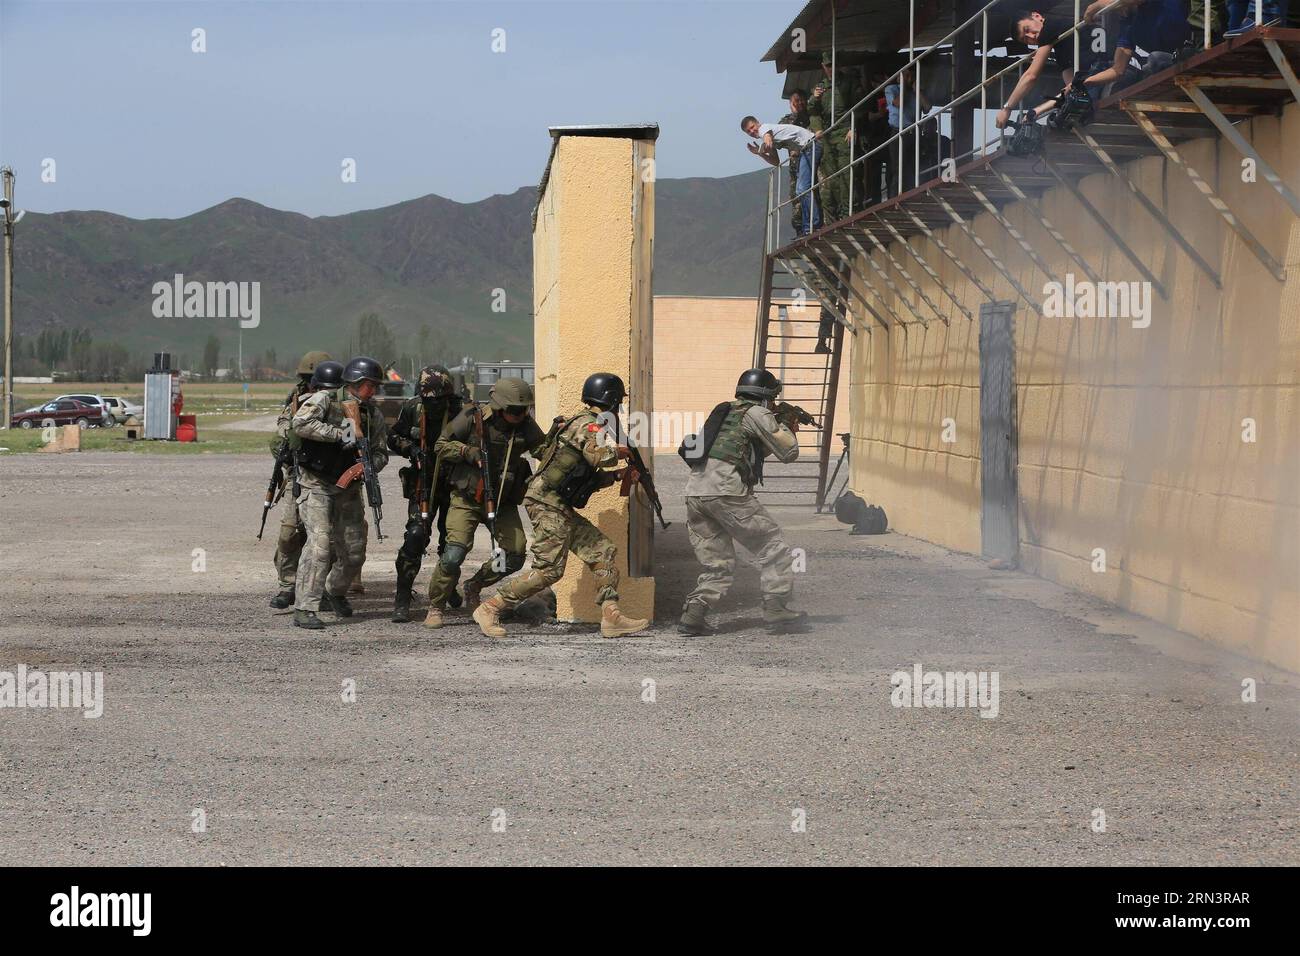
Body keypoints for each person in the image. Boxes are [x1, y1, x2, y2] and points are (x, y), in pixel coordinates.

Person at [473, 373, 649, 640]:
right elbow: (597, 456)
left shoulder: (586, 423)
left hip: (557, 503)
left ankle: (611, 616)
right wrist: (620, 452)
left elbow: (581, 475)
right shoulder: (588, 425)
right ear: (611, 400)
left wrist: (618, 476)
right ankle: (490, 608)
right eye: (618, 402)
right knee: (549, 570)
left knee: (603, 550)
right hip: (545, 502)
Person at [679, 369, 806, 636]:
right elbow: (790, 452)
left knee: (717, 561)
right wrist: (786, 426)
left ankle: (694, 613)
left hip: (696, 492)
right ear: (765, 397)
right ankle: (776, 608)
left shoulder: (726, 411)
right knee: (773, 545)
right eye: (772, 399)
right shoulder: (757, 413)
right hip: (727, 492)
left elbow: (740, 450)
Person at [422, 376, 547, 630]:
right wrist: (467, 452)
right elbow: (440, 445)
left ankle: (475, 585)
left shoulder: (524, 425)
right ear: (500, 407)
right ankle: (436, 605)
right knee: (454, 553)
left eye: (524, 410)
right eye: (515, 410)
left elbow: (544, 451)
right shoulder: (472, 416)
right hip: (467, 499)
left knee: (514, 553)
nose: (521, 415)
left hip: (502, 501)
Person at [288, 356, 389, 630]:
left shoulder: (372, 415)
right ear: (355, 383)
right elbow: (301, 424)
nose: (374, 391)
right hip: (317, 483)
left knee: (355, 552)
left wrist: (365, 467)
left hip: (349, 489)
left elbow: (381, 453)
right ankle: (305, 607)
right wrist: (339, 434)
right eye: (371, 385)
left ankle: (334, 591)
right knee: (319, 546)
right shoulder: (325, 400)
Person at [387, 365, 464, 623]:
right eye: (427, 399)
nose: (431, 405)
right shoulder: (413, 408)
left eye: (437, 400)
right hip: (423, 482)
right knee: (416, 536)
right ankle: (402, 596)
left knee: (451, 541)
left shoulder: (461, 411)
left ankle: (446, 587)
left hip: (454, 484)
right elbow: (393, 436)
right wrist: (410, 449)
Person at [269, 350, 333, 609]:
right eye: (307, 378)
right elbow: (284, 425)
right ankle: (288, 585)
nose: (311, 384)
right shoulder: (296, 398)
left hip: (325, 476)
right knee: (289, 534)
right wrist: (292, 437)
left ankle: (319, 588)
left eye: (314, 378)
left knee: (323, 538)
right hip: (297, 472)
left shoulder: (333, 401)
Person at [742, 115, 822, 236]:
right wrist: (760, 153)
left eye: (752, 127)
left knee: (802, 188)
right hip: (806, 150)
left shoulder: (765, 128)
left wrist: (765, 145)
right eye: (749, 132)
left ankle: (814, 225)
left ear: (757, 123)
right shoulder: (766, 135)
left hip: (811, 145)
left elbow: (767, 138)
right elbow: (775, 161)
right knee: (800, 190)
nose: (752, 131)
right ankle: (808, 227)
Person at [807, 50, 860, 222]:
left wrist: (854, 127)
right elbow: (813, 112)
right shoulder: (820, 87)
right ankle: (840, 214)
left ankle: (850, 211)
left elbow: (858, 106)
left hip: (845, 132)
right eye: (828, 65)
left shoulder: (849, 83)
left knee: (848, 173)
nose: (831, 68)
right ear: (823, 66)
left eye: (833, 65)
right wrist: (817, 129)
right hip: (827, 137)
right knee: (833, 178)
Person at [778, 90, 811, 236]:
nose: (799, 104)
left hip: (813, 160)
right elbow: (778, 138)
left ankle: (813, 225)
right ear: (790, 104)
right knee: (796, 196)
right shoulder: (786, 121)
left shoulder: (812, 117)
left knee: (814, 192)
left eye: (801, 101)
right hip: (795, 165)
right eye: (796, 101)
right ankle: (800, 229)